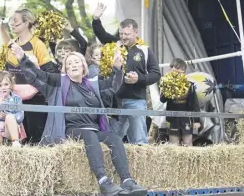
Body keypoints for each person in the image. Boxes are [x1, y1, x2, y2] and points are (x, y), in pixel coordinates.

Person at [10, 41, 147, 196]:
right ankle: (103, 181)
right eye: (69, 63)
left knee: (114, 138)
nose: (73, 65)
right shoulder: (58, 82)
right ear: (65, 68)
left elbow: (113, 86)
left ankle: (127, 180)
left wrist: (117, 68)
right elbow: (37, 75)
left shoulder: (93, 84)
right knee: (89, 134)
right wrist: (22, 58)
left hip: (94, 129)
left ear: (83, 66)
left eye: (76, 62)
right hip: (69, 130)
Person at [92, 3, 161, 144]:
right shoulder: (114, 45)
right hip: (116, 100)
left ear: (136, 32)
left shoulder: (145, 50)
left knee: (139, 140)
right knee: (113, 139)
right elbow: (101, 33)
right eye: (121, 33)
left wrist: (139, 79)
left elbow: (156, 74)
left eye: (127, 34)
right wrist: (95, 19)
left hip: (136, 100)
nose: (123, 37)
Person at [0, 8, 56, 144]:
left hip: (35, 99)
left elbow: (48, 72)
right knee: (18, 138)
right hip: (15, 99)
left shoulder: (38, 44)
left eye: (16, 21)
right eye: (11, 21)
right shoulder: (11, 44)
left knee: (35, 138)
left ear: (27, 23)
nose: (12, 24)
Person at [160, 58, 201, 146]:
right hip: (172, 118)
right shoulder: (166, 83)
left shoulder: (189, 85)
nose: (179, 71)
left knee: (188, 143)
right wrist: (168, 89)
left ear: (184, 71)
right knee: (174, 144)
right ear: (171, 69)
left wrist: (197, 120)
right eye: (176, 68)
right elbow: (162, 100)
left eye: (182, 69)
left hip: (186, 118)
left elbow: (194, 104)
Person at [0, 71, 26, 147]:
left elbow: (20, 117)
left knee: (9, 117)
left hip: (10, 129)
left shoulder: (17, 99)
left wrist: (7, 116)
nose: (3, 88)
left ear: (11, 85)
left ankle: (15, 142)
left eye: (6, 84)